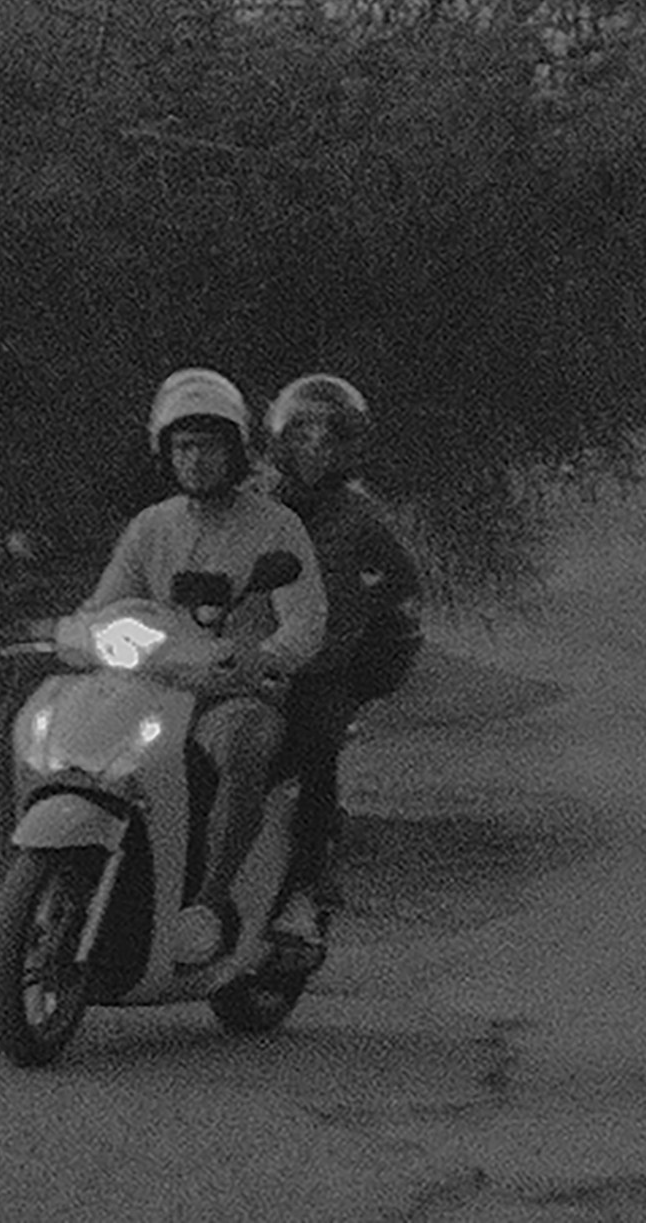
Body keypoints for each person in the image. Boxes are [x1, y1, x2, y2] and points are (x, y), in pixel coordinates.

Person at [0, 369, 327, 1017]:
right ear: (164, 454)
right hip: (154, 687)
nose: (194, 459)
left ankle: (207, 905)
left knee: (242, 743)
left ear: (235, 450)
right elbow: (103, 605)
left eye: (207, 445)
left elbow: (307, 619)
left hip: (234, 691)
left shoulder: (275, 527)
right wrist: (68, 631)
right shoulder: (152, 526)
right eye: (181, 447)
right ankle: (21, 942)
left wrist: (267, 656)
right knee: (75, 754)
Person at [262, 370, 423, 951]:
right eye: (302, 436)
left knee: (316, 753)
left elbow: (405, 576)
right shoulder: (260, 503)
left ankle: (305, 889)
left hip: (322, 668)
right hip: (255, 658)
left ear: (349, 446)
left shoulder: (361, 516)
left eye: (328, 439)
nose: (313, 450)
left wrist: (349, 611)